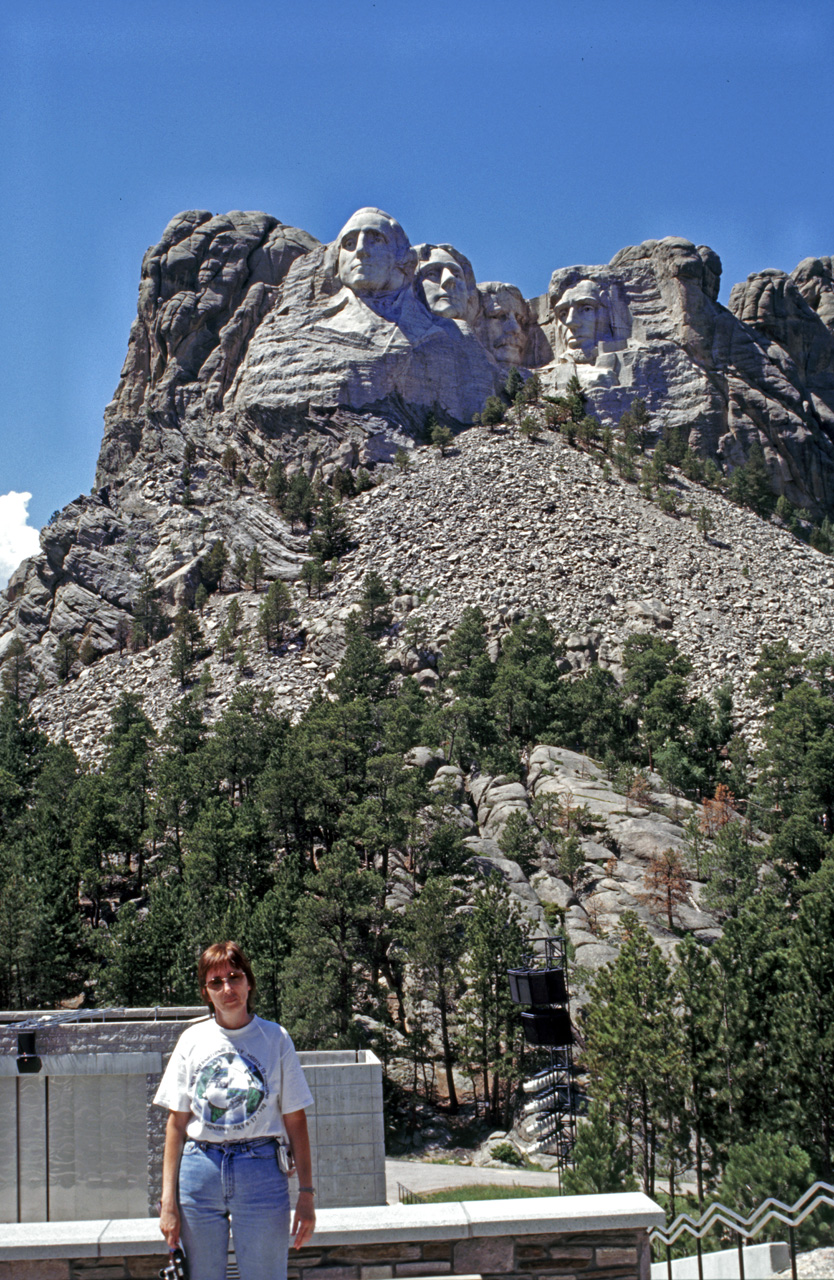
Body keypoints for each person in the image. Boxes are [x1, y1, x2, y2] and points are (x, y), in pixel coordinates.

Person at [155, 941, 315, 1280]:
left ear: (249, 982)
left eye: (235, 977)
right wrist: (168, 1200)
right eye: (216, 982)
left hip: (261, 1173)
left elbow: (296, 1120)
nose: (228, 988)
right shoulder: (191, 1040)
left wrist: (306, 1194)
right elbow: (176, 1124)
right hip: (199, 1174)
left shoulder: (275, 1038)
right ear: (205, 992)